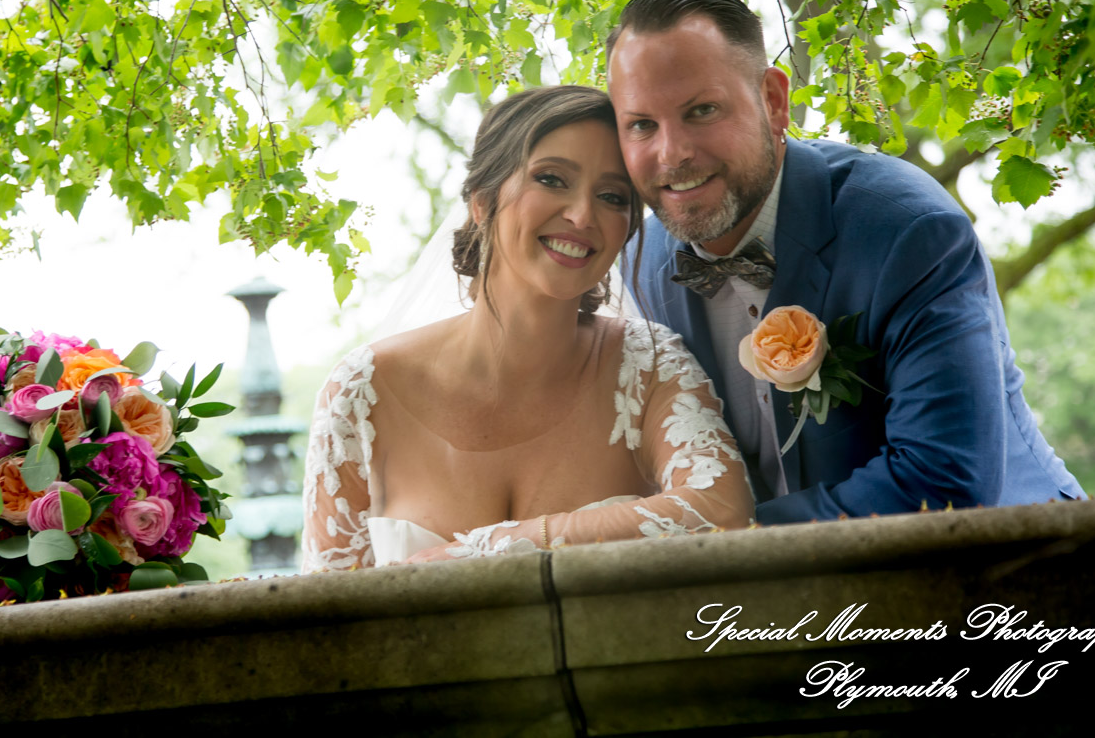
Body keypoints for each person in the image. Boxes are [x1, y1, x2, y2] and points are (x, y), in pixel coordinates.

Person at [608, 0, 1086, 525]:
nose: (672, 154)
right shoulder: (638, 268)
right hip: (801, 601)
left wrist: (721, 543)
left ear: (773, 101)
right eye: (642, 125)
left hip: (1018, 563)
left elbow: (944, 480)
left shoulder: (909, 231)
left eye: (701, 110)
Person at [300, 86, 755, 571]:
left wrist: (493, 548)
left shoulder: (651, 368)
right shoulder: (363, 392)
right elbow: (326, 609)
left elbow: (725, 511)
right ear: (481, 201)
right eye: (552, 179)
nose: (583, 215)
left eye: (610, 196)